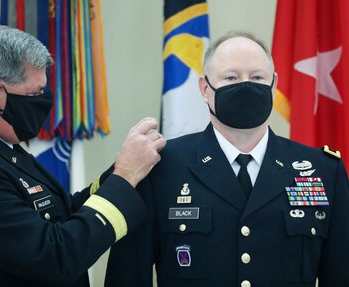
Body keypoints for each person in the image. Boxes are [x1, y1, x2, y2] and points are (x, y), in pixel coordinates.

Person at [0, 24, 166, 287]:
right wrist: (124, 178)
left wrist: (121, 171)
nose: (45, 100)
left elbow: (63, 212)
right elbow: (56, 257)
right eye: (35, 93)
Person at [105, 31, 349, 287]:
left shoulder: (323, 170)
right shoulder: (159, 168)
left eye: (257, 77)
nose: (245, 86)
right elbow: (127, 276)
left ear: (274, 86)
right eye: (231, 77)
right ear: (205, 89)